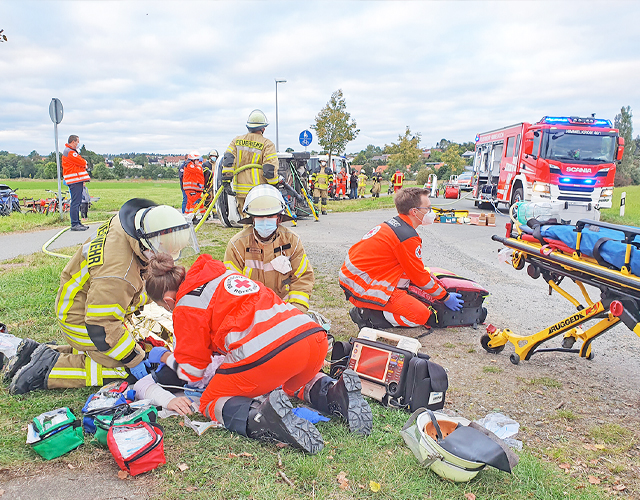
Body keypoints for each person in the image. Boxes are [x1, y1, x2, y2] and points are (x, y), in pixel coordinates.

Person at [143, 251, 373, 453]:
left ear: (168, 299)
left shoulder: (185, 305)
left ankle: (264, 417)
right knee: (286, 377)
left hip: (267, 354)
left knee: (210, 401)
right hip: (311, 339)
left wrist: (162, 356)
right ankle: (334, 393)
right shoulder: (220, 275)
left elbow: (192, 371)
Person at [6, 198, 199, 395]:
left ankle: (36, 353)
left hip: (83, 299)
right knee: (122, 369)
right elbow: (102, 327)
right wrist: (134, 359)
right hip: (81, 319)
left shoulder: (130, 227)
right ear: (146, 246)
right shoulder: (118, 276)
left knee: (124, 348)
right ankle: (49, 370)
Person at [339, 187, 464, 329]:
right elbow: (419, 276)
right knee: (421, 315)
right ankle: (368, 316)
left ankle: (374, 308)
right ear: (414, 212)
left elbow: (410, 268)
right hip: (360, 285)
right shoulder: (407, 237)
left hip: (353, 277)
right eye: (428, 208)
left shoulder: (395, 224)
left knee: (407, 278)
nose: (431, 212)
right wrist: (445, 297)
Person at [224, 185, 314, 312]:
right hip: (250, 312)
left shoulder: (292, 241)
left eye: (270, 216)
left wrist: (295, 312)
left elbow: (302, 279)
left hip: (285, 309)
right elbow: (231, 286)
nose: (265, 221)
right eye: (260, 216)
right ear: (252, 219)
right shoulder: (237, 245)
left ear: (279, 218)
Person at [221, 109, 279, 215]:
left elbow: (228, 162)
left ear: (248, 127)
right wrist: (274, 185)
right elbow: (269, 169)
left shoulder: (236, 141)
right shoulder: (267, 144)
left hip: (240, 192)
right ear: (263, 128)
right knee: (259, 222)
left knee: (246, 222)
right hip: (259, 193)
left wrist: (226, 182)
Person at [62, 135, 91, 231]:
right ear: (73, 142)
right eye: (77, 141)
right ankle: (74, 224)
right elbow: (81, 162)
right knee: (75, 202)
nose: (78, 144)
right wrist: (85, 162)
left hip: (76, 180)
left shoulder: (71, 151)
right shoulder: (69, 152)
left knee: (77, 202)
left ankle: (77, 222)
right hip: (74, 181)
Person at [182, 151, 206, 217]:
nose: (198, 161)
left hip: (192, 188)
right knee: (194, 203)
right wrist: (200, 166)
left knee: (191, 203)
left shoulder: (191, 165)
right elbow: (197, 170)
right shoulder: (189, 165)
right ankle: (192, 217)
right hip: (190, 188)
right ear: (193, 159)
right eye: (197, 160)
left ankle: (187, 215)